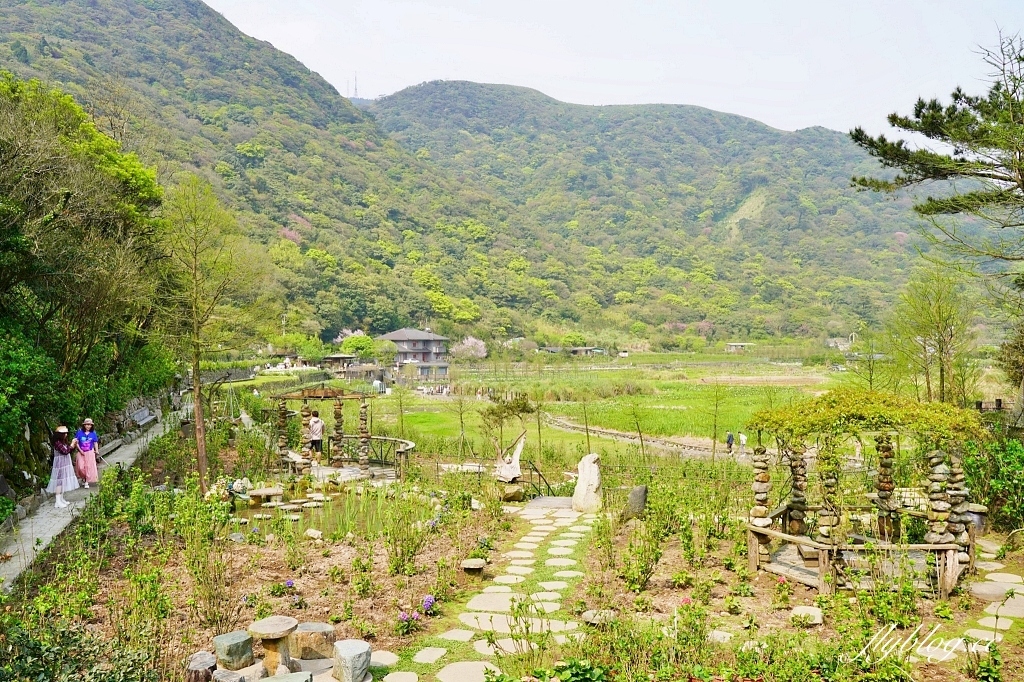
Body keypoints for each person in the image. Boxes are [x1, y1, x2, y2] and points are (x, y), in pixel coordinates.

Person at [46, 426, 79, 508]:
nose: (66, 435)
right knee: (59, 482)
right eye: (64, 434)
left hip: (65, 464)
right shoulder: (57, 443)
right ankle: (57, 501)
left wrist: (73, 445)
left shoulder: (62, 442)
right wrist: (71, 444)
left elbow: (69, 450)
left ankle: (61, 499)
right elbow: (65, 451)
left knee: (63, 481)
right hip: (60, 465)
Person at [75, 418, 100, 489]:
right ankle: (83, 477)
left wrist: (97, 450)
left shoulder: (93, 433)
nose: (88, 426)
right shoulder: (79, 433)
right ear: (84, 425)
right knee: (80, 467)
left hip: (90, 452)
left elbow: (95, 442)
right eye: (87, 425)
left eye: (90, 425)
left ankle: (86, 481)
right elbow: (76, 442)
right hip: (81, 452)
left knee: (88, 467)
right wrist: (80, 450)